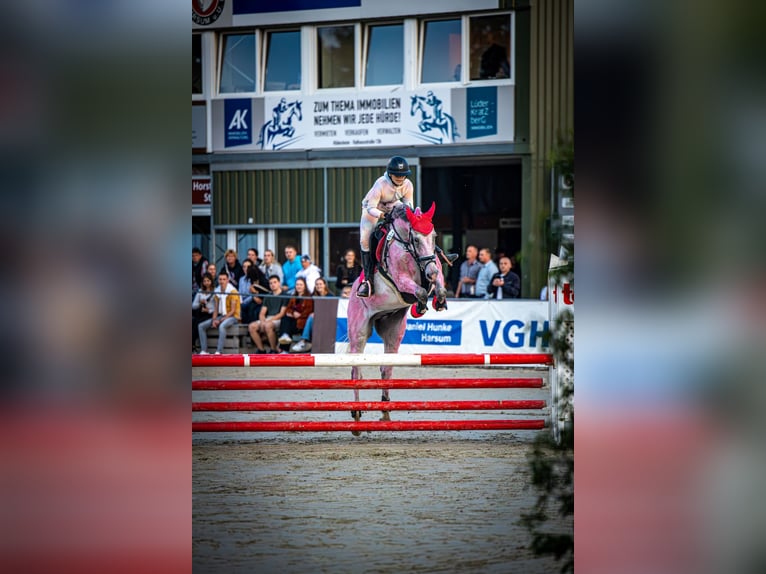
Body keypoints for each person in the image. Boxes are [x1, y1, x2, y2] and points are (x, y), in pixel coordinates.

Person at [357, 156, 414, 297]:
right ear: (390, 174)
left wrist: (409, 216)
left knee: (412, 224)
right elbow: (371, 207)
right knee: (364, 240)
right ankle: (367, 280)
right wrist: (383, 216)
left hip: (393, 205)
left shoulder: (408, 184)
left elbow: (408, 205)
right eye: (397, 176)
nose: (400, 179)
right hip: (373, 208)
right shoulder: (380, 184)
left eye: (403, 176)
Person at [197, 271, 241, 355]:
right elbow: (216, 309)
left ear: (228, 280)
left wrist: (220, 320)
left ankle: (219, 351)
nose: (222, 281)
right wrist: (214, 320)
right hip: (221, 315)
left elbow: (232, 311)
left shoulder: (233, 291)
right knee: (201, 326)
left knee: (222, 326)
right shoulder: (217, 291)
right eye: (220, 279)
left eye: (224, 279)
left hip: (233, 316)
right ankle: (204, 350)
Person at [248, 275, 288, 354]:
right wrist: (262, 321)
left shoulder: (285, 295)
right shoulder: (268, 296)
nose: (273, 285)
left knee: (268, 325)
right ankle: (261, 349)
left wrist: (268, 321)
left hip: (278, 319)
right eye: (271, 283)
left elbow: (282, 313)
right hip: (268, 318)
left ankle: (273, 349)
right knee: (252, 326)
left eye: (275, 282)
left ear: (279, 283)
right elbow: (262, 313)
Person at [291, 276, 331, 353]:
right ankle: (309, 344)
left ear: (325, 285)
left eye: (320, 284)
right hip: (314, 318)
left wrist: (318, 314)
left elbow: (330, 311)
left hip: (326, 318)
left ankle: (303, 341)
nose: (319, 286)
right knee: (310, 318)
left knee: (310, 318)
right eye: (317, 284)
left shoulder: (330, 296)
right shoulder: (313, 295)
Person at [277, 277, 314, 351]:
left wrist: (299, 315)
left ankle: (284, 349)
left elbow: (309, 311)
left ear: (304, 286)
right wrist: (293, 313)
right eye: (297, 284)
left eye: (301, 285)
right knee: (285, 318)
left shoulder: (309, 298)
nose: (299, 286)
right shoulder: (293, 296)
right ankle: (285, 337)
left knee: (287, 326)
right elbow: (288, 309)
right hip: (293, 320)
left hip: (302, 322)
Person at [192, 273, 215, 352]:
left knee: (198, 324)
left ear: (211, 281)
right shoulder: (200, 291)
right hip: (200, 313)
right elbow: (193, 305)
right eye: (204, 281)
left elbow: (217, 308)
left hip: (210, 314)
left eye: (208, 281)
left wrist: (208, 310)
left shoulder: (215, 292)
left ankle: (198, 347)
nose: (206, 283)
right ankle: (193, 344)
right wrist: (199, 303)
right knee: (193, 321)